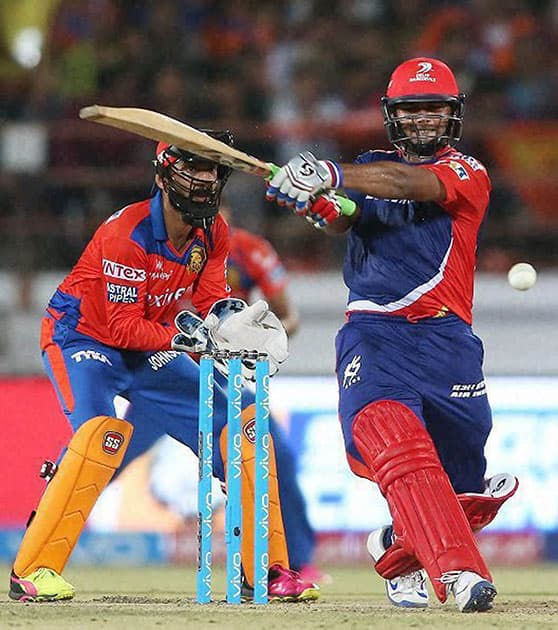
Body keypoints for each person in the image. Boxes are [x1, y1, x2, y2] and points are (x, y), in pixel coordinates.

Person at [8, 133, 320, 603]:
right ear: (162, 176)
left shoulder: (215, 231)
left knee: (244, 423)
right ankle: (33, 570)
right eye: (192, 169)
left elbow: (213, 299)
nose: (203, 180)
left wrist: (233, 325)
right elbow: (120, 328)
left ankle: (268, 570)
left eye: (211, 170)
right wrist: (191, 338)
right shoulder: (125, 234)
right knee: (99, 434)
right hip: (82, 337)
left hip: (149, 341)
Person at [266, 57, 518, 613]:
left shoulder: (468, 172)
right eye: (412, 109)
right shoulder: (371, 168)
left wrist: (331, 174)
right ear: (393, 116)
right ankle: (458, 575)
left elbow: (412, 184)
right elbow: (348, 215)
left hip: (449, 344)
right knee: (399, 450)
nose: (424, 120)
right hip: (375, 338)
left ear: (453, 115)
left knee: (463, 490)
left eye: (435, 109)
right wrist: (318, 203)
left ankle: (397, 550)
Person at [117, 200, 322, 582]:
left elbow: (287, 316)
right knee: (109, 454)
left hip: (226, 376)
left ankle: (293, 561)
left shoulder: (250, 251)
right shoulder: (162, 248)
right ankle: (42, 541)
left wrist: (262, 343)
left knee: (271, 457)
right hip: (167, 371)